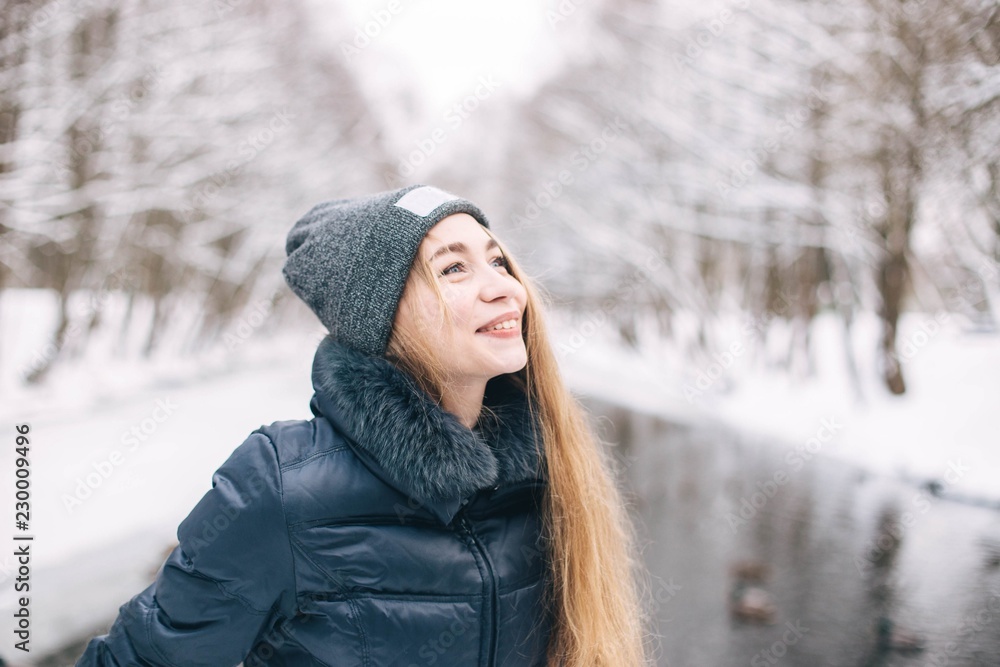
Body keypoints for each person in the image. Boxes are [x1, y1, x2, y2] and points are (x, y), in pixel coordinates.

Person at [75, 184, 649, 666]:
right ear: (382, 319)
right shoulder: (282, 488)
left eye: (496, 260)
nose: (505, 286)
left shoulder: (547, 473)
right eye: (453, 268)